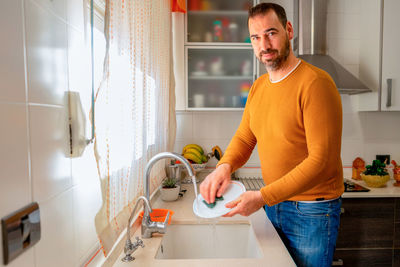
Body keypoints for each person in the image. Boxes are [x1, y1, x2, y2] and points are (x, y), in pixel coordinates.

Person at [199, 3, 344, 267]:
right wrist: (224, 167)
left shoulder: (316, 84)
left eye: (271, 33)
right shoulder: (259, 87)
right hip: (273, 206)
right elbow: (245, 137)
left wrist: (263, 196)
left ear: (288, 30)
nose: (264, 44)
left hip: (311, 211)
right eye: (255, 37)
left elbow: (320, 161)